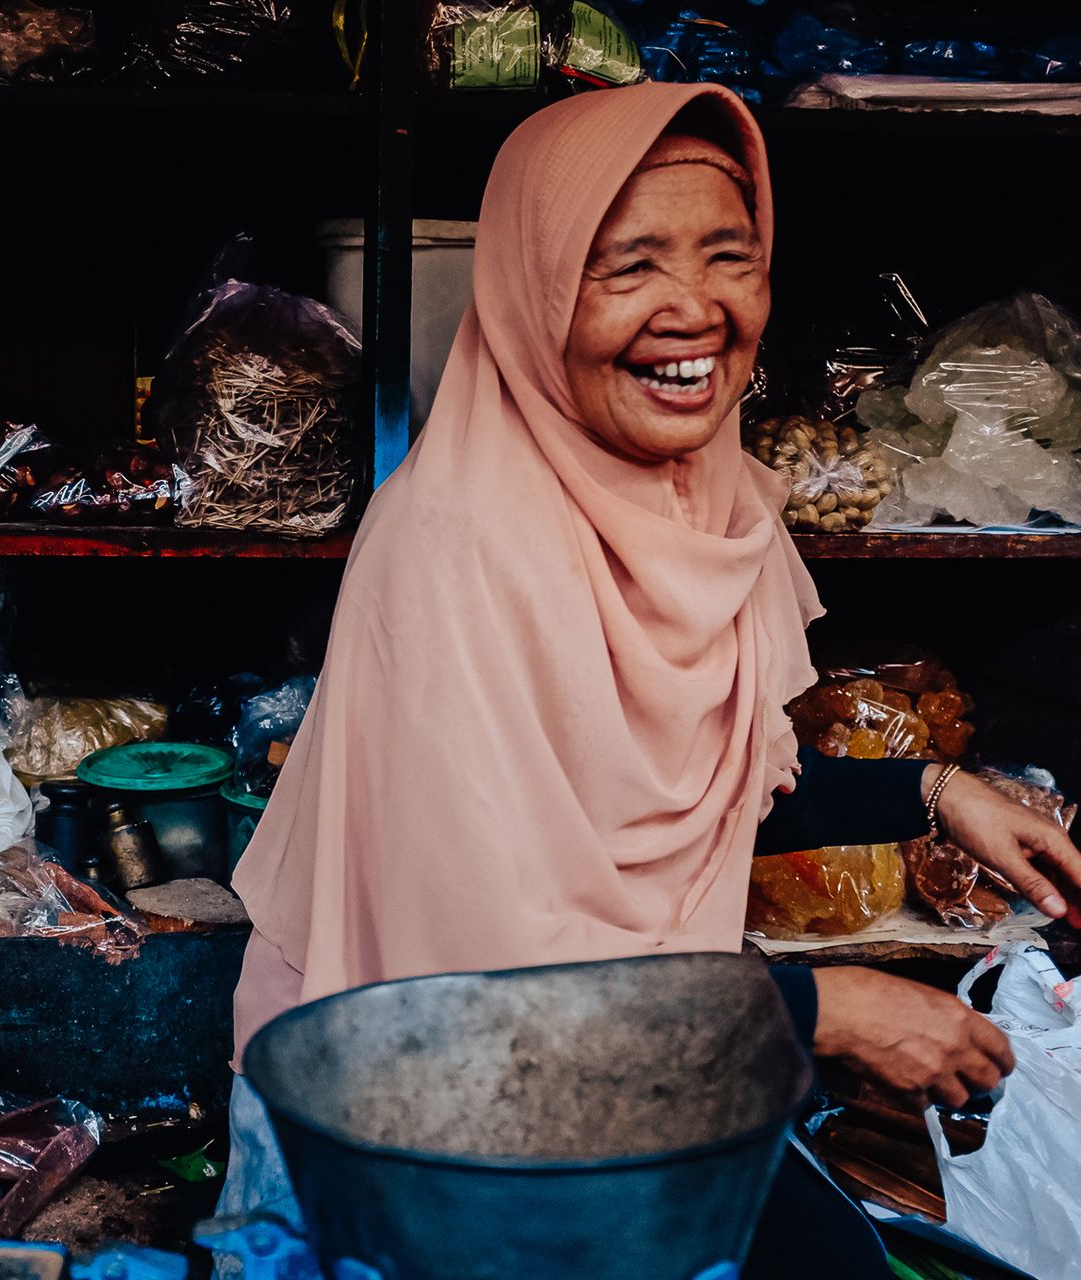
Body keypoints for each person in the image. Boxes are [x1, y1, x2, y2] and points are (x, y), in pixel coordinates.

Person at [219, 81, 1081, 1278]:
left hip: (634, 1073)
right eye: (627, 266)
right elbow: (488, 989)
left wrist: (939, 790)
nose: (696, 309)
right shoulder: (460, 549)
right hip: (443, 1135)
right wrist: (831, 1014)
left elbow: (703, 788)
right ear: (529, 294)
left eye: (730, 255)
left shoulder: (702, 504)